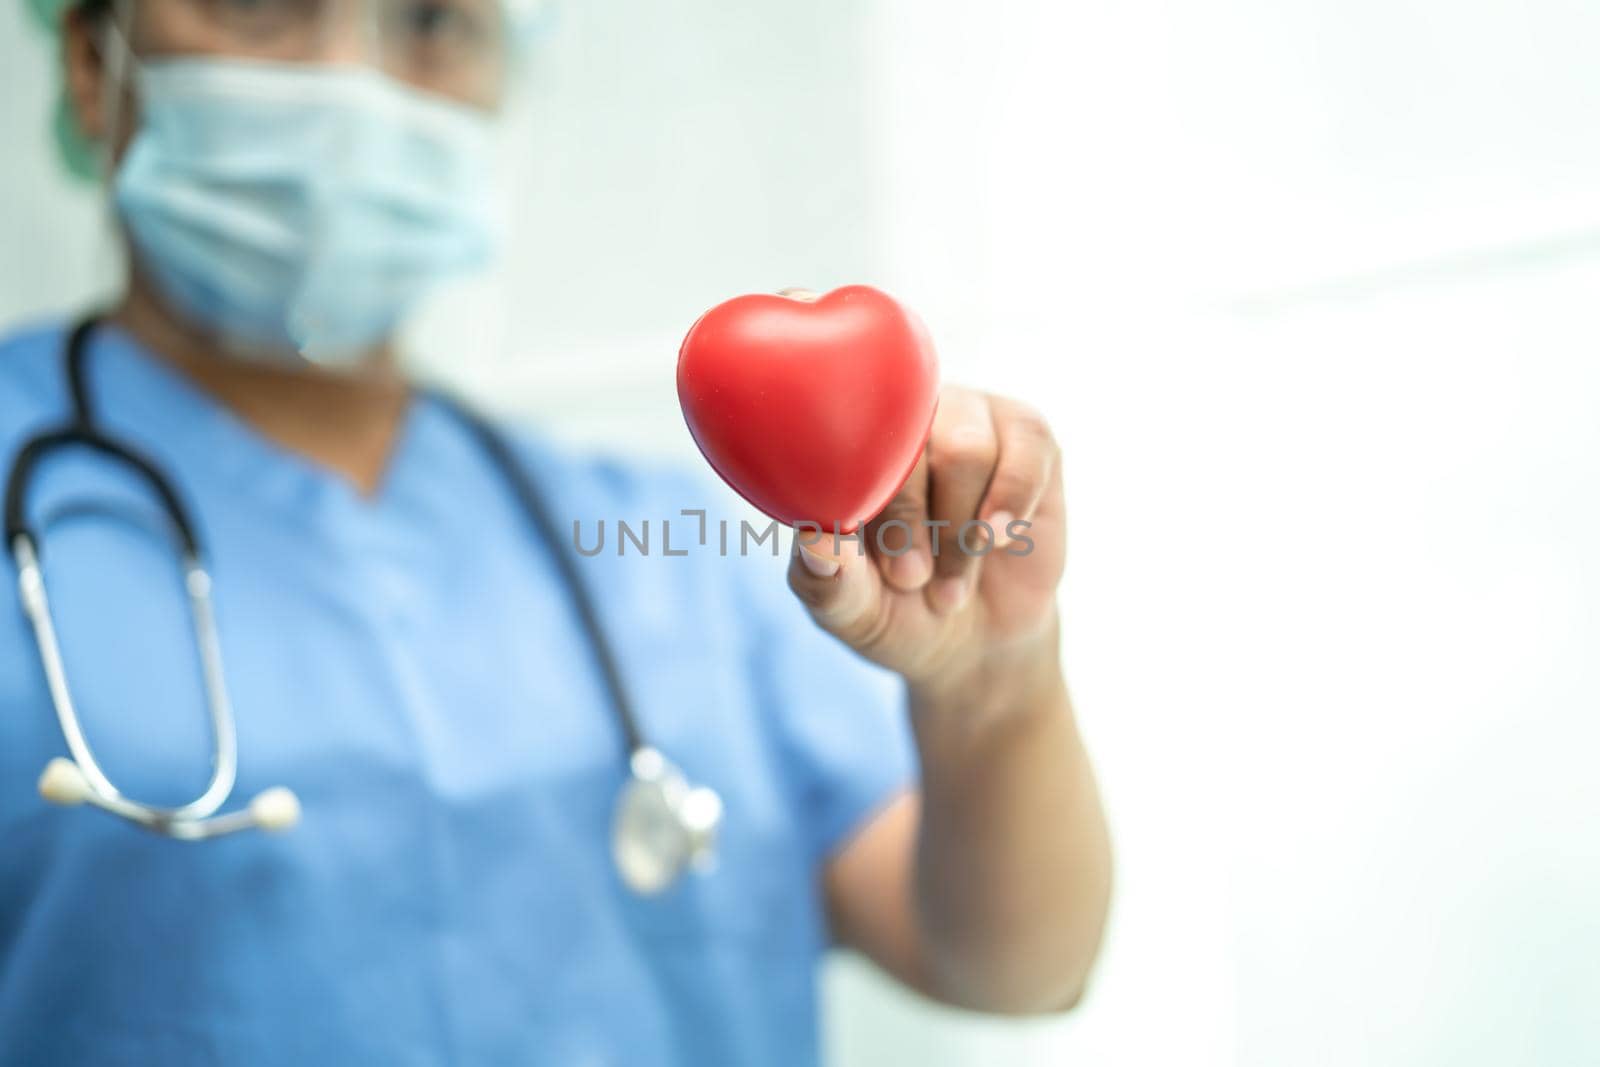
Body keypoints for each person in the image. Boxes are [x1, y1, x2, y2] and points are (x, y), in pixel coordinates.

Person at [0, 0, 1112, 1063]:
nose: (353, 74)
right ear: (95, 65)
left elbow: (1012, 966)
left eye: (435, 19)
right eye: (261, 4)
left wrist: (992, 682)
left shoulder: (659, 542)